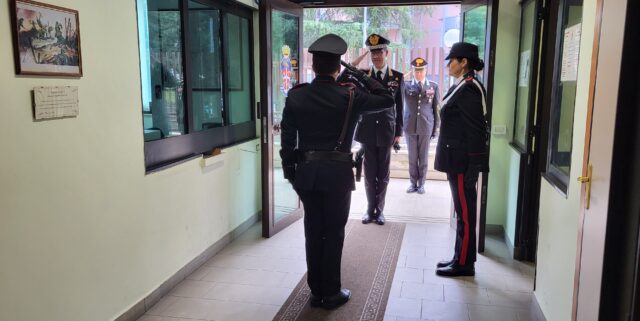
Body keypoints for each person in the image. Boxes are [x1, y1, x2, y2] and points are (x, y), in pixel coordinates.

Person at [279, 34, 394, 308]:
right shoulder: (350, 96)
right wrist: (356, 72)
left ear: (313, 66)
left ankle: (315, 291)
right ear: (337, 68)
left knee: (312, 231)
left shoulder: (297, 96)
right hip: (338, 175)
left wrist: (291, 173)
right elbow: (387, 98)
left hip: (306, 174)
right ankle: (331, 292)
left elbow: (287, 140)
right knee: (333, 232)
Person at [434, 42, 490, 277]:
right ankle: (460, 256)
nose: (449, 64)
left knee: (466, 215)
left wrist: (474, 166)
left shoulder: (469, 88)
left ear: (464, 61)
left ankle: (465, 263)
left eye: (452, 60)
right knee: (461, 212)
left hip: (462, 162)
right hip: (455, 158)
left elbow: (476, 130)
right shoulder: (462, 85)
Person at [352, 33, 404, 225]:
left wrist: (399, 133)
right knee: (369, 172)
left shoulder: (396, 77)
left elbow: (400, 107)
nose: (376, 57)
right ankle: (368, 209)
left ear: (386, 53)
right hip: (367, 131)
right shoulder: (364, 75)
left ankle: (379, 210)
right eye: (373, 53)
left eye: (379, 53)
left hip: (387, 131)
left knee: (383, 174)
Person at [403, 57, 440, 194]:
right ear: (412, 71)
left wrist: (435, 128)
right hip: (410, 126)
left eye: (421, 70)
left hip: (426, 126)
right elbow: (396, 93)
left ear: (426, 70)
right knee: (412, 157)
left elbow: (436, 109)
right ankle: (413, 183)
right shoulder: (406, 85)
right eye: (416, 70)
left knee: (423, 157)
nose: (419, 73)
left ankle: (422, 184)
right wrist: (401, 78)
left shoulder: (433, 86)